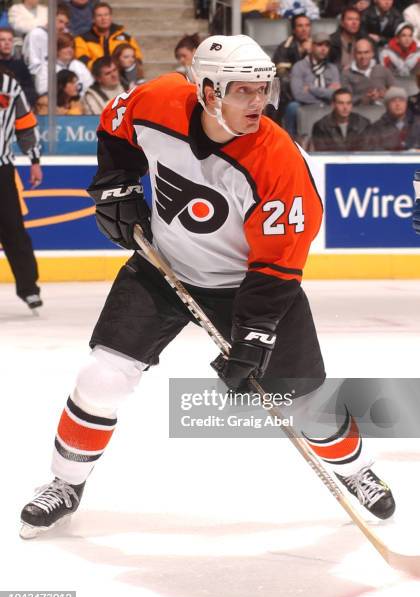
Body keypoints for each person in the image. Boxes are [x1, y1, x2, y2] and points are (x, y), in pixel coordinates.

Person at [19, 34, 395, 538]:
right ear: (208, 91)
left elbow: (278, 263)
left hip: (251, 286)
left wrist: (255, 332)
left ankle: (356, 469)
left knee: (306, 405)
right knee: (101, 377)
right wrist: (118, 181)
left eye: (263, 89)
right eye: (244, 91)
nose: (258, 102)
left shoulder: (279, 162)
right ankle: (65, 484)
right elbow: (115, 124)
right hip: (162, 267)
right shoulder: (157, 100)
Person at [0, 66, 42, 311]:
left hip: (2, 169)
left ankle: (28, 288)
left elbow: (25, 124)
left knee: (14, 230)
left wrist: (34, 160)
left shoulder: (9, 85)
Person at [286, 32, 341, 135]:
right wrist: (324, 96)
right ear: (311, 47)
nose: (323, 49)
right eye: (319, 45)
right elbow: (298, 95)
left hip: (328, 104)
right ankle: (290, 139)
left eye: (327, 45)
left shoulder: (332, 68)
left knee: (342, 104)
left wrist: (311, 88)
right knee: (292, 107)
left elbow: (335, 95)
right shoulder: (299, 66)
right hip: (307, 103)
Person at [75, 2, 142, 70]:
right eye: (99, 15)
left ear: (111, 17)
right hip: (96, 75)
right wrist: (103, 68)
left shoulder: (126, 38)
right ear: (93, 19)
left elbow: (138, 57)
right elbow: (82, 59)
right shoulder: (82, 39)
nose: (103, 18)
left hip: (123, 74)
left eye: (106, 15)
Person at [22, 3, 70, 83]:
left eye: (66, 24)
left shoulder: (64, 35)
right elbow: (33, 67)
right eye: (60, 21)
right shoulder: (36, 34)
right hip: (39, 81)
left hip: (61, 79)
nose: (63, 27)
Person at [35, 32, 93, 97]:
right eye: (65, 47)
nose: (70, 50)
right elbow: (42, 90)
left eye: (72, 47)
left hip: (80, 103)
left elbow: (90, 86)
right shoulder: (46, 67)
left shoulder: (78, 65)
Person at [342, 37, 395, 105]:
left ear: (372, 53)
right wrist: (365, 97)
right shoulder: (347, 74)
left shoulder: (383, 69)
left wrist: (384, 94)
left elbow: (396, 93)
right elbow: (346, 99)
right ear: (354, 54)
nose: (363, 56)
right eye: (359, 53)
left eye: (366, 52)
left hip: (382, 110)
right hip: (360, 111)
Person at [0, 27, 36, 106]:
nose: (7, 43)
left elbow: (29, 90)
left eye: (10, 40)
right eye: (2, 40)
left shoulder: (20, 66)